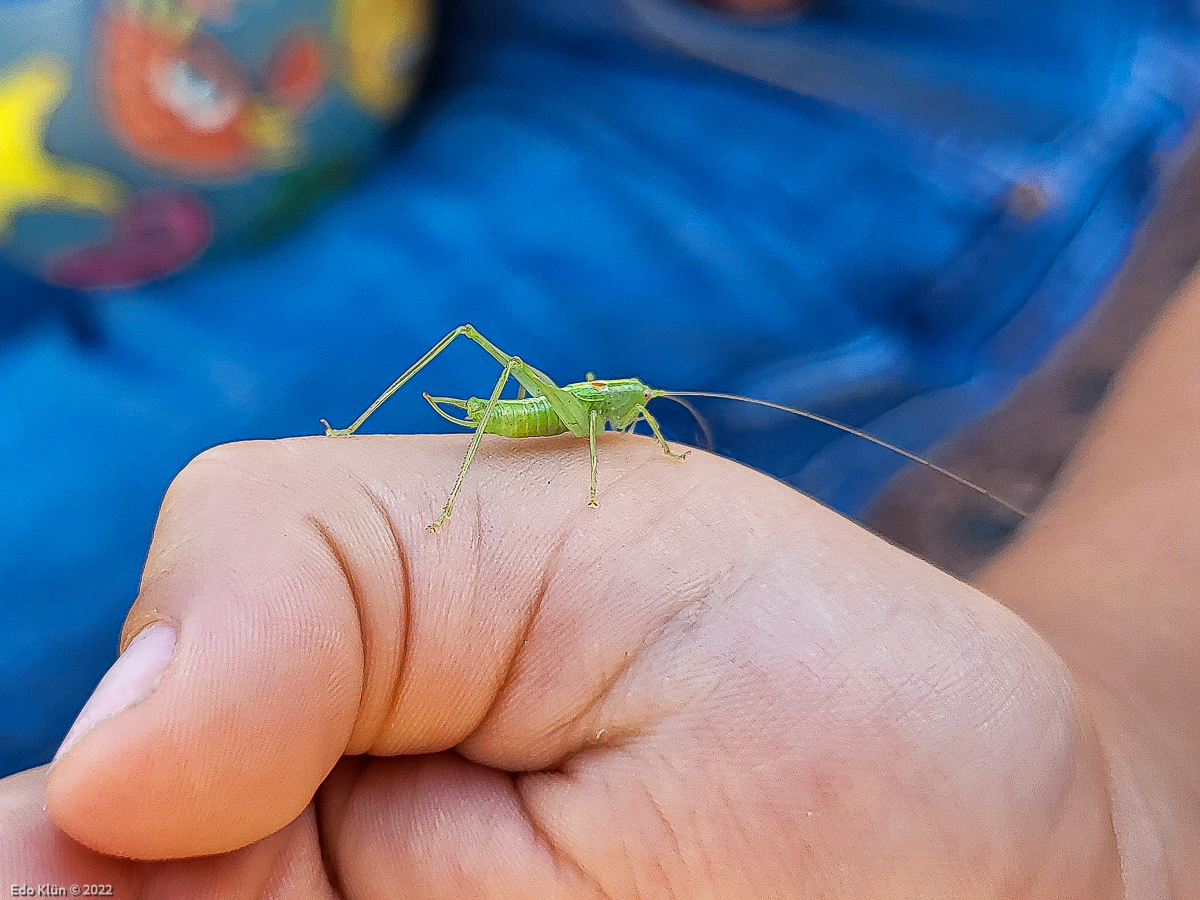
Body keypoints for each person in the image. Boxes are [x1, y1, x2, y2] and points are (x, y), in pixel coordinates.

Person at [2, 262, 1198, 894]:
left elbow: (628, 433)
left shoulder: (623, 420)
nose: (638, 422)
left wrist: (1121, 829)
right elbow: (593, 432)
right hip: (509, 412)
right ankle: (355, 436)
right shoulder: (590, 419)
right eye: (636, 417)